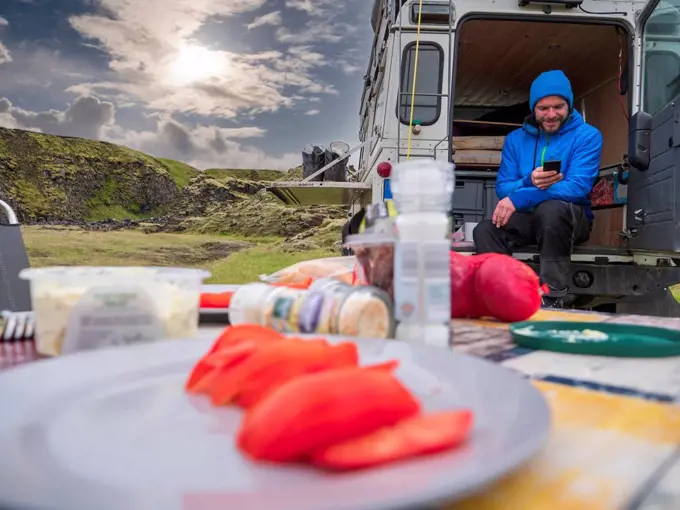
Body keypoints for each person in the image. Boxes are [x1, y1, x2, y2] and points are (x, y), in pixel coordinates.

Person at [473, 70, 603, 308]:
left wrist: (519, 198)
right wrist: (528, 183)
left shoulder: (588, 136)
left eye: (559, 107)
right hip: (530, 219)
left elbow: (577, 187)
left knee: (551, 210)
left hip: (570, 220)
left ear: (569, 105)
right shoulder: (515, 139)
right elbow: (503, 187)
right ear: (534, 108)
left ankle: (552, 296)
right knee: (484, 230)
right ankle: (505, 295)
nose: (551, 114)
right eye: (544, 108)